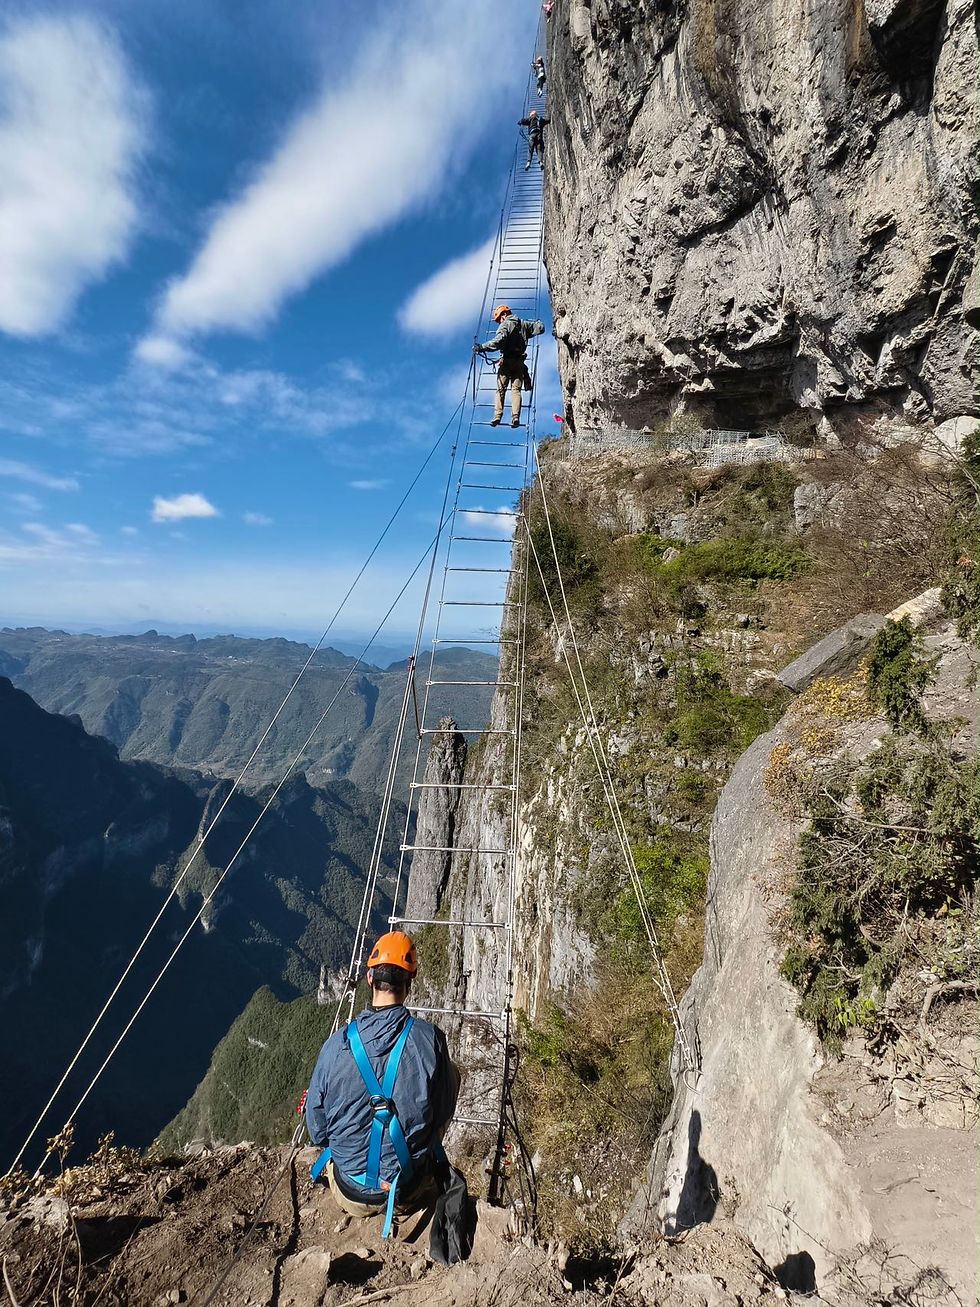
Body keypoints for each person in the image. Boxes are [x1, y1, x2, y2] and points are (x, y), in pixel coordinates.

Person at [305, 932, 459, 1237]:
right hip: (407, 1190)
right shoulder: (430, 1040)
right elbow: (440, 1114)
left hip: (349, 1192)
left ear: (369, 978)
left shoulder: (336, 1045)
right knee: (450, 1073)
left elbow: (318, 1130)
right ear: (409, 984)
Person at [473, 305, 532, 428]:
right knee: (516, 391)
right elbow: (540, 328)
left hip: (507, 362)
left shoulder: (505, 325)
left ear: (504, 315)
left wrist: (482, 347)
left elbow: (498, 341)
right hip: (519, 363)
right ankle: (515, 417)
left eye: (499, 318)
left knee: (500, 389)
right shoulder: (523, 324)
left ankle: (497, 416)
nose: (499, 321)